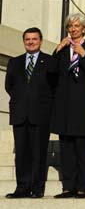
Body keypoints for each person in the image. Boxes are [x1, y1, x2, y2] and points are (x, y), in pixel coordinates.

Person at [5, 27, 58, 198]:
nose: (31, 42)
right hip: (20, 113)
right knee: (21, 153)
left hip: (40, 114)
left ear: (40, 41)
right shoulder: (15, 62)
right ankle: (22, 188)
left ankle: (37, 188)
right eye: (27, 39)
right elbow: (9, 86)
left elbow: (53, 86)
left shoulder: (49, 61)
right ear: (24, 41)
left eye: (34, 39)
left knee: (38, 153)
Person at [51, 13, 85, 199]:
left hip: (82, 107)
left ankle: (81, 188)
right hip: (64, 106)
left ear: (84, 28)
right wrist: (57, 49)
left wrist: (84, 54)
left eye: (77, 26)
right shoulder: (62, 50)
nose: (73, 29)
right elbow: (51, 71)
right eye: (70, 26)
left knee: (81, 151)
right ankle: (68, 188)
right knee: (66, 150)